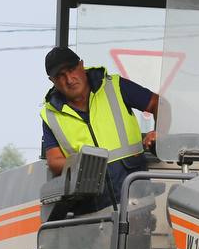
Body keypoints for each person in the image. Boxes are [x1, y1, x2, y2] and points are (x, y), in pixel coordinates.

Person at [40, 46, 160, 211]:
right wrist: (84, 163)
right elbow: (54, 161)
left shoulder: (114, 86)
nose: (69, 79)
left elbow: (157, 104)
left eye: (71, 70)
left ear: (81, 65)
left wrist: (159, 132)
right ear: (52, 81)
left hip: (137, 200)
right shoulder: (51, 114)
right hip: (92, 211)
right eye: (60, 75)